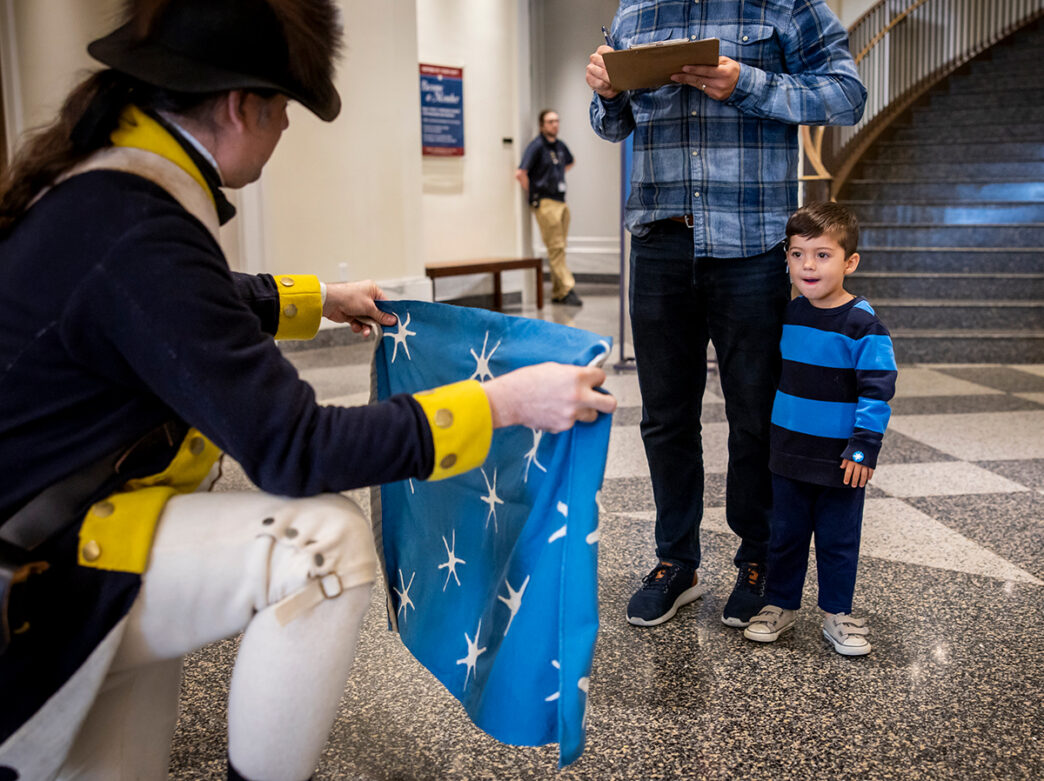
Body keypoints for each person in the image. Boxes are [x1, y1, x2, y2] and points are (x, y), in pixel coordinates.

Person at [0, 2, 616, 779]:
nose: (286, 129)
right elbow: (297, 449)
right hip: (40, 572)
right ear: (241, 106)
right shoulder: (138, 226)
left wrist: (314, 297)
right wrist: (503, 402)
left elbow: (180, 301)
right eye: (284, 108)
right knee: (325, 546)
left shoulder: (112, 193)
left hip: (59, 534)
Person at [586, 1, 868, 629]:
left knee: (756, 412)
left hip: (755, 244)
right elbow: (612, 126)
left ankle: (758, 557)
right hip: (659, 240)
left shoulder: (787, 6)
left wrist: (749, 84)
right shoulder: (636, 13)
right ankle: (675, 560)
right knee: (664, 417)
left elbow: (848, 95)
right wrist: (605, 93)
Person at [743, 202, 896, 656]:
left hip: (840, 461)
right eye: (797, 254)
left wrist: (864, 446)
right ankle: (780, 605)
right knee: (785, 535)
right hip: (788, 452)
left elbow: (877, 390)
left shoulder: (864, 326)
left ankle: (837, 613)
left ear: (850, 262)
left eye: (822, 255)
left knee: (837, 540)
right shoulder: (791, 313)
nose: (808, 265)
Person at [515, 110, 581, 307]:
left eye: (557, 121)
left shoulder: (560, 146)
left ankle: (558, 292)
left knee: (560, 248)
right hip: (545, 202)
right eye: (550, 121)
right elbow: (520, 173)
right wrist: (535, 192)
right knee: (556, 247)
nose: (555, 124)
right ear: (542, 125)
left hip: (561, 200)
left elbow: (570, 162)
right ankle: (568, 288)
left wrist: (556, 175)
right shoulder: (536, 146)